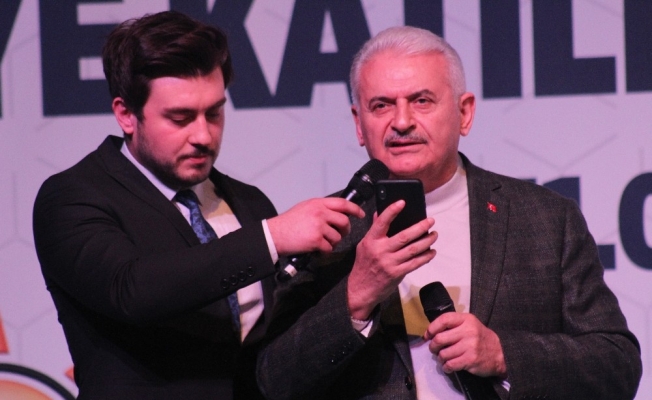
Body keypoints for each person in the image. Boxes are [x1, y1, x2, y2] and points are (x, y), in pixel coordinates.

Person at [257, 26, 642, 399]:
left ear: (465, 112)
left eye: (422, 101)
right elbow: (272, 382)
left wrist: (503, 354)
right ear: (359, 124)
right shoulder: (325, 231)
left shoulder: (546, 220)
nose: (402, 122)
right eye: (382, 105)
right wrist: (355, 297)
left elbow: (617, 366)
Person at [32, 11, 362, 400]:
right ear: (126, 114)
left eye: (214, 112)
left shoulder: (249, 202)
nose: (203, 135)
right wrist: (270, 238)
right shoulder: (73, 196)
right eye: (181, 118)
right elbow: (131, 290)